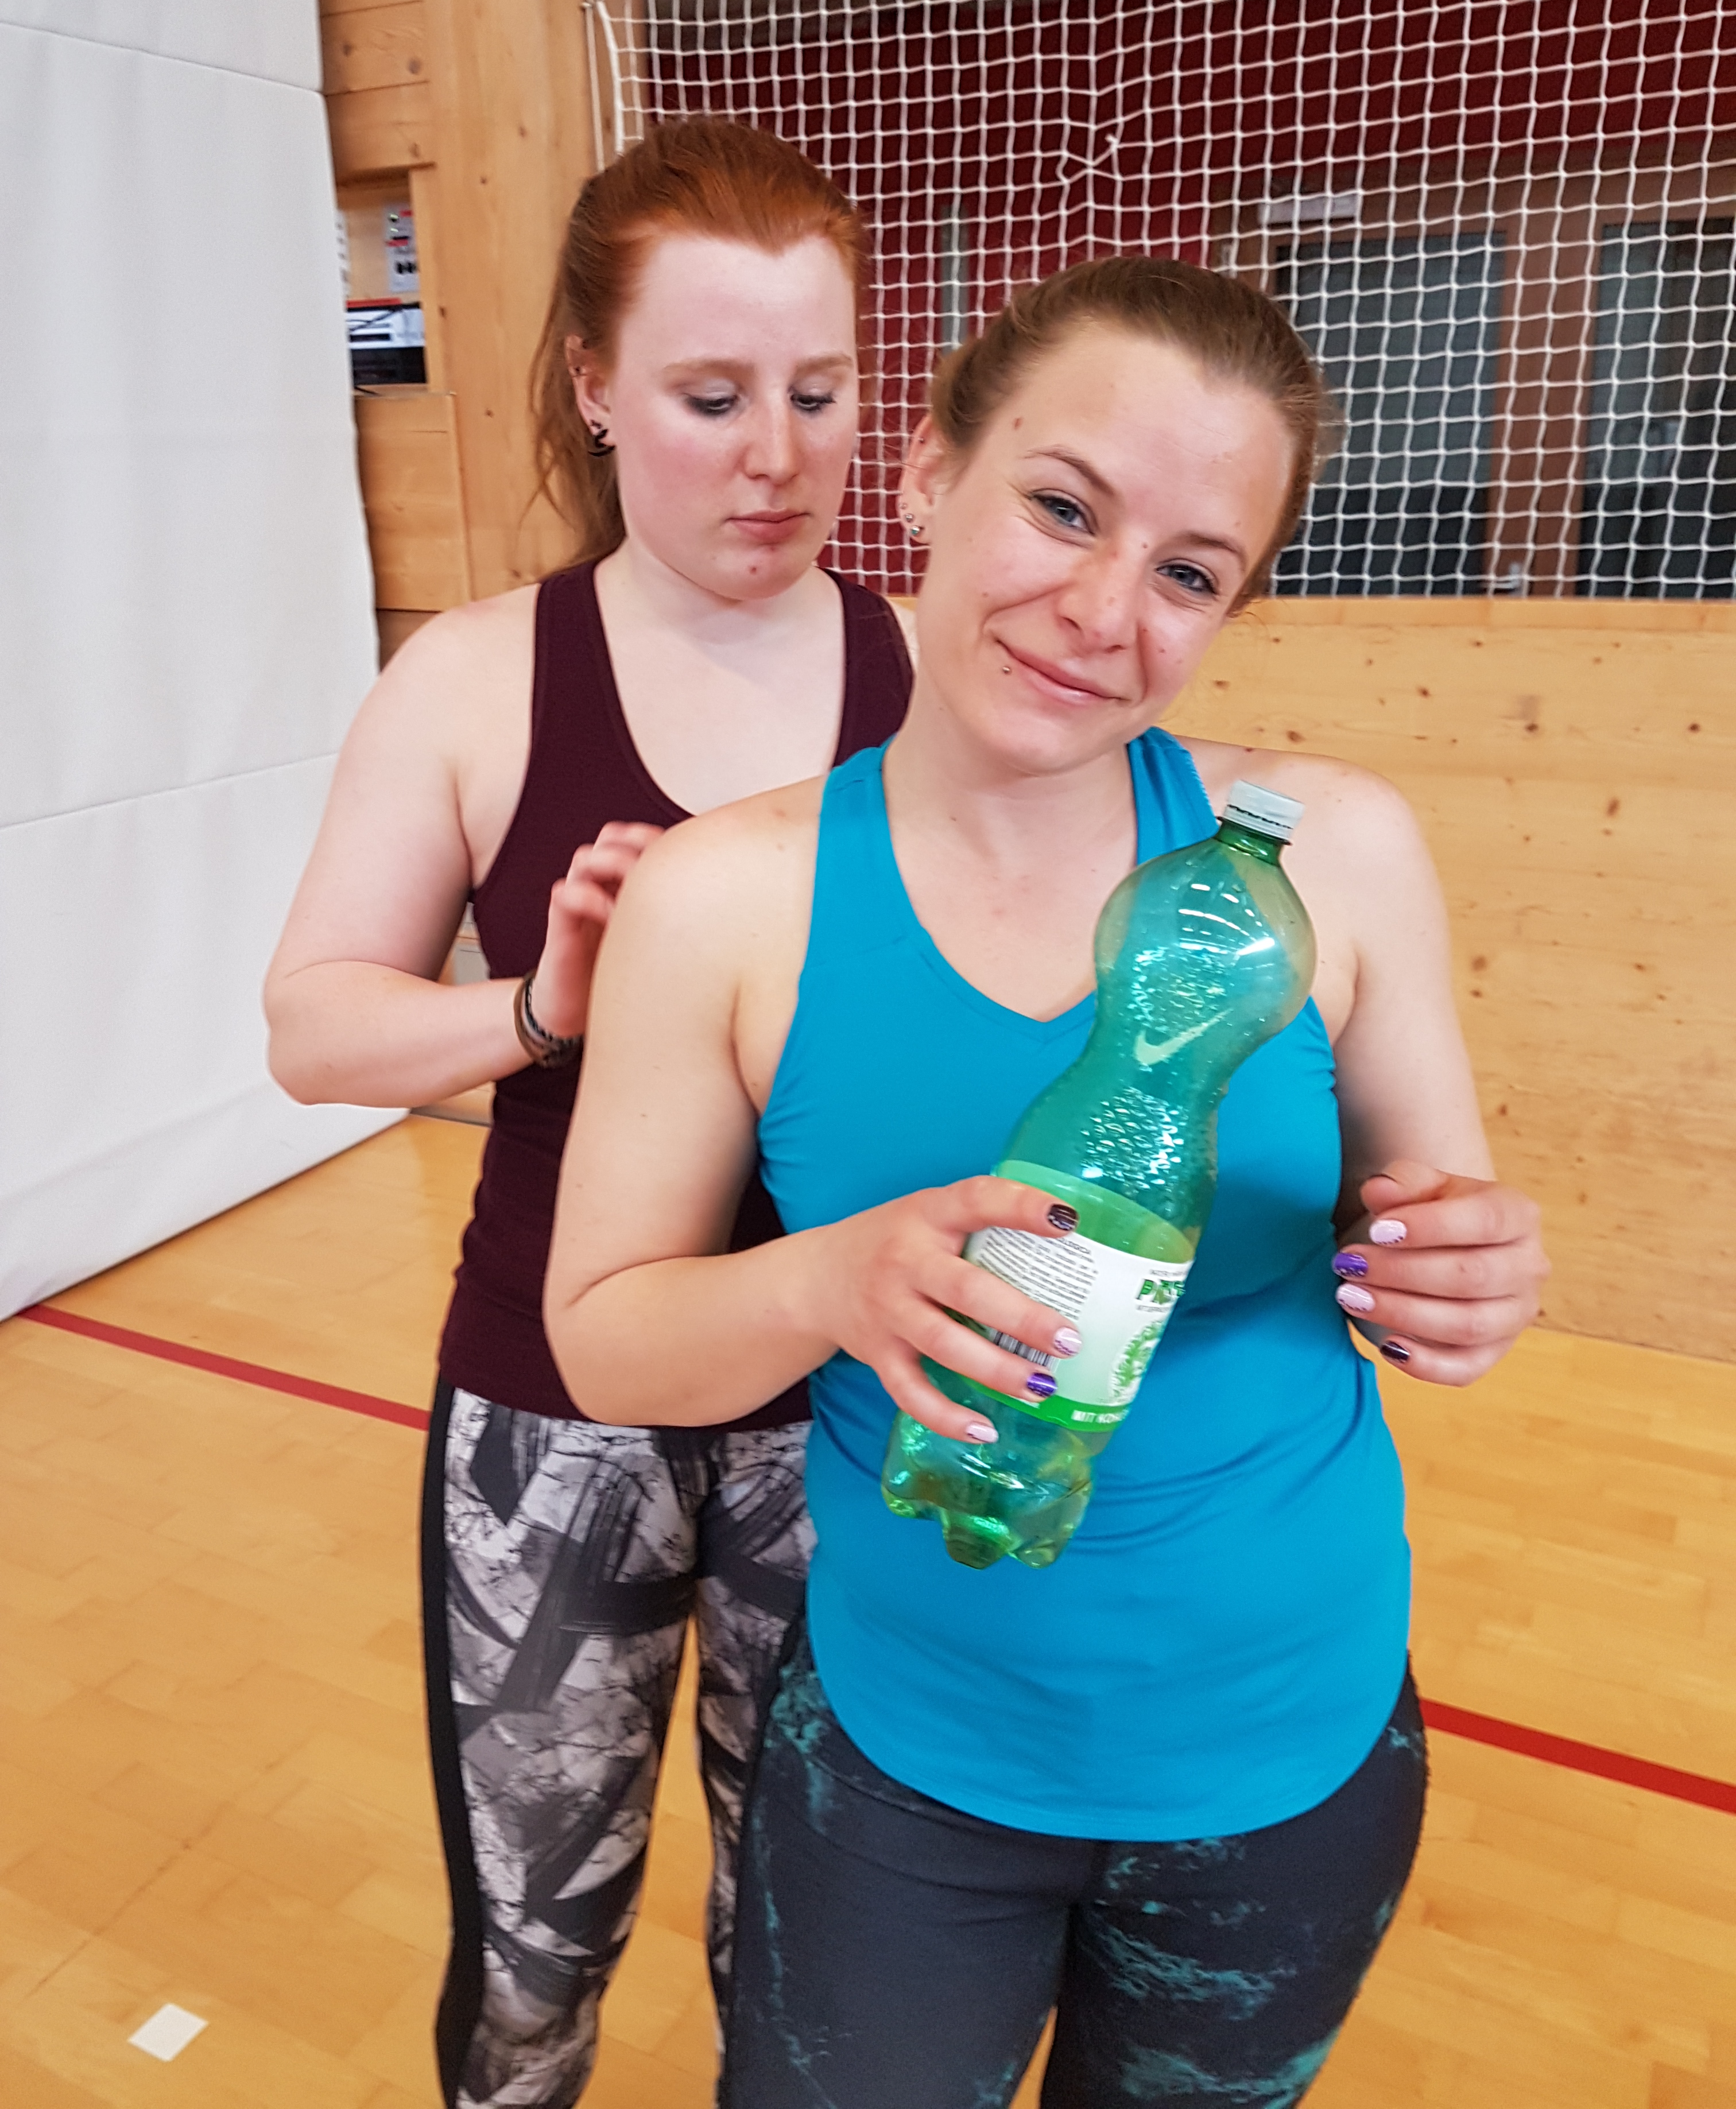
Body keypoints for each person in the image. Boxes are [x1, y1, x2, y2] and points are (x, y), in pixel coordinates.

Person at [541, 254, 1549, 2108]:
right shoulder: (725, 898)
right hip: (910, 1758)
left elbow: (1421, 1235)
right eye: (1064, 507)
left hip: (1290, 1751)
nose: (1101, 611)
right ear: (932, 473)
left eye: (1189, 572)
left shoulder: (1333, 854)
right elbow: (606, 1341)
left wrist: (1461, 1282)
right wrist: (832, 1282)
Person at [264, 120, 913, 2109]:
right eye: (713, 397)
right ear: (596, 387)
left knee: (806, 1936)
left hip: (844, 1399)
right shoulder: (475, 679)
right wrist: (538, 1008)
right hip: (554, 1414)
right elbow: (312, 1030)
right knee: (537, 1953)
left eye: (819, 391)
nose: (778, 455)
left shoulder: (931, 673)